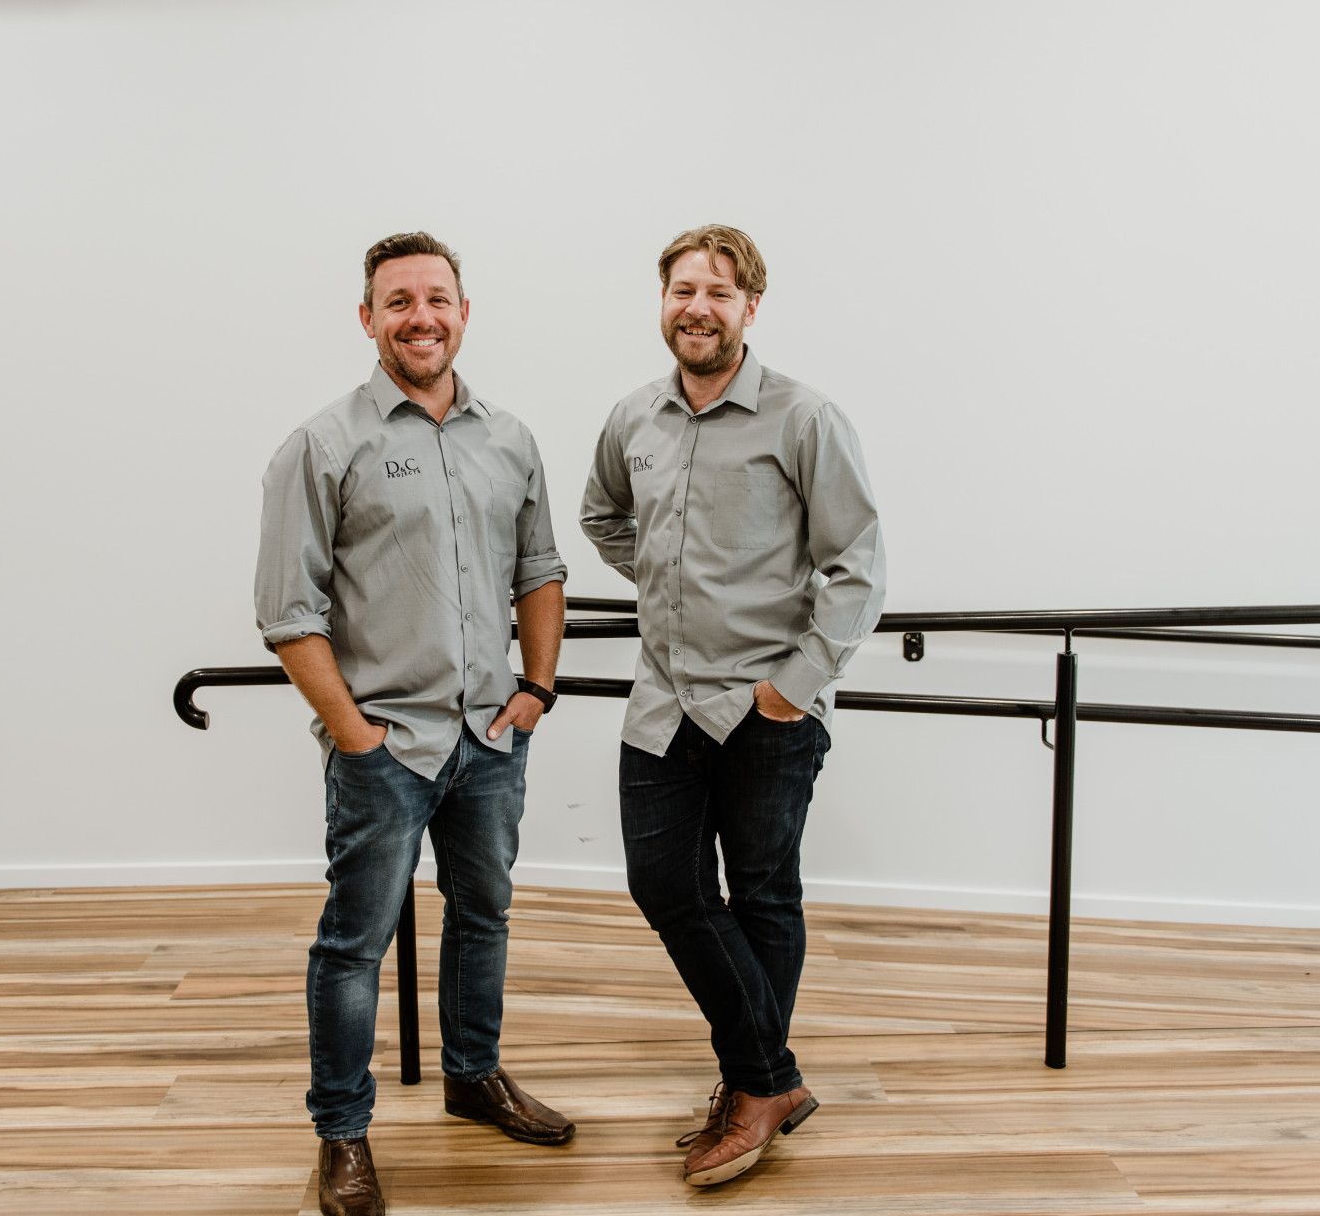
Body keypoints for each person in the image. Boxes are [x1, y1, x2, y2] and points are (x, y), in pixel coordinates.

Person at [257, 232, 575, 1216]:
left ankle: (473, 1077)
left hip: (490, 739)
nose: (421, 317)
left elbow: (540, 569)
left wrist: (536, 689)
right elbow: (288, 611)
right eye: (398, 302)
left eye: (438, 299)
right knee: (353, 945)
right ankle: (342, 1134)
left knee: (484, 916)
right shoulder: (323, 444)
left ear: (464, 313)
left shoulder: (510, 438)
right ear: (368, 319)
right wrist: (354, 736)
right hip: (387, 747)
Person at [580, 224, 886, 1187]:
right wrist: (669, 581)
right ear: (662, 301)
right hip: (663, 702)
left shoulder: (805, 418)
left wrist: (793, 687)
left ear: (751, 306)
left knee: (762, 894)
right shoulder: (633, 417)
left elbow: (858, 566)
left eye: (718, 291)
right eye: (683, 289)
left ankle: (749, 1088)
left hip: (767, 707)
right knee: (663, 884)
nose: (698, 307)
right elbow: (601, 515)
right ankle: (770, 1079)